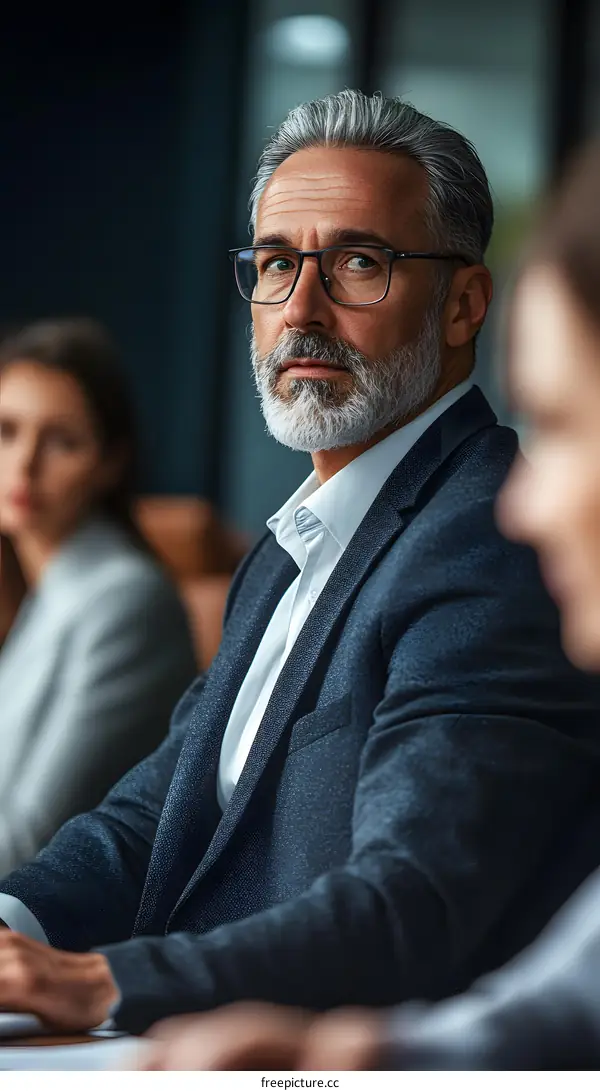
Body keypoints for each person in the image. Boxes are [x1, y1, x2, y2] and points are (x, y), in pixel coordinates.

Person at [0, 90, 599, 1036]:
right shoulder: (295, 543)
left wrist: (97, 982)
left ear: (465, 305)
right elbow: (153, 817)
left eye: (360, 262)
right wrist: (12, 928)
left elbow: (415, 903)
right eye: (278, 264)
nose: (302, 310)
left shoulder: (496, 539)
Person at [0, 318, 197, 878]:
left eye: (62, 440)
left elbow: (28, 843)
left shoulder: (125, 602)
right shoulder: (47, 589)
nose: (25, 463)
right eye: (7, 430)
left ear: (110, 464)